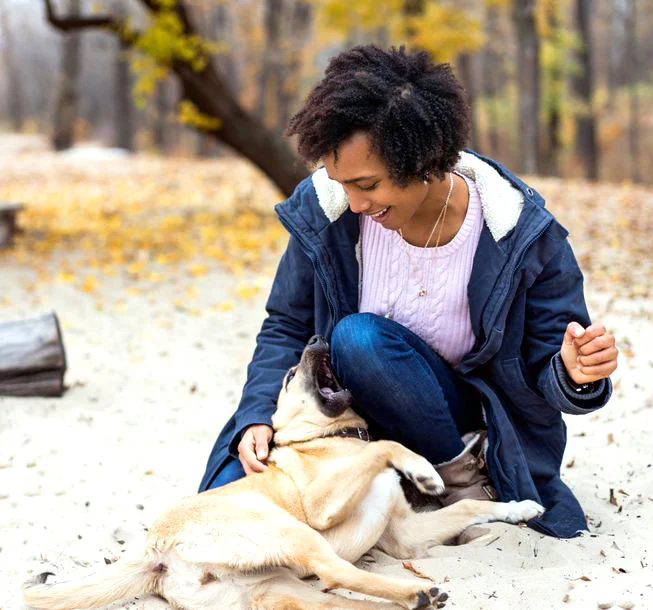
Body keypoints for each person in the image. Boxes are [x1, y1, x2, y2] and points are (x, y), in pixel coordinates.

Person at [199, 45, 618, 539]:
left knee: (359, 339)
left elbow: (550, 367)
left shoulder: (521, 234)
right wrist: (256, 415)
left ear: (424, 159)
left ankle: (459, 479)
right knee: (219, 508)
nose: (354, 203)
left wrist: (573, 371)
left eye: (368, 185)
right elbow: (287, 324)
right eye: (341, 183)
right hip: (340, 416)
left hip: (461, 421)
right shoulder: (327, 210)